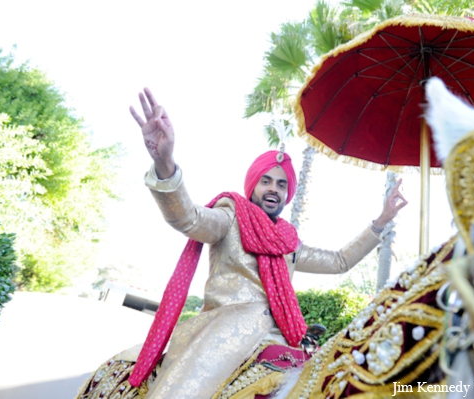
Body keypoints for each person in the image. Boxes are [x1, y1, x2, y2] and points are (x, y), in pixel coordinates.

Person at [76, 87, 407, 399]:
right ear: (253, 185)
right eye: (266, 181)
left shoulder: (288, 241)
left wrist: (381, 220)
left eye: (280, 184)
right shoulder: (230, 214)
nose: (273, 189)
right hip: (223, 334)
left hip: (282, 335)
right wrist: (164, 164)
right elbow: (188, 219)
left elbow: (338, 262)